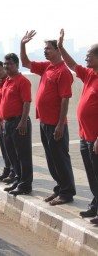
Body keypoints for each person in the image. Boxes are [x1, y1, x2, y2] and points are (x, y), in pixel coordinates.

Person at [20, 30, 76, 205]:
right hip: (44, 122)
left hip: (56, 124)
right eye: (45, 49)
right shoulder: (47, 67)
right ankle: (60, 188)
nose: (46, 51)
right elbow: (25, 63)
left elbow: (65, 98)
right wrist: (22, 45)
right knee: (52, 159)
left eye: (49, 49)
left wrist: (60, 124)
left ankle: (67, 193)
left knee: (60, 158)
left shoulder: (63, 72)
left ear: (58, 51)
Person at [57, 29, 98, 224]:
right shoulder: (90, 74)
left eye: (89, 55)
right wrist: (61, 48)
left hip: (95, 138)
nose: (86, 58)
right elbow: (72, 64)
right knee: (91, 174)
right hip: (84, 136)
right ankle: (95, 204)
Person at [0, 53, 33, 196]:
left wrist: (23, 121)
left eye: (10, 64)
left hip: (19, 122)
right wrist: (1, 120)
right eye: (5, 64)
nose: (7, 66)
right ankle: (18, 179)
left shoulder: (23, 81)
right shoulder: (7, 80)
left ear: (17, 65)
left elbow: (26, 102)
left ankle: (25, 184)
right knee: (12, 154)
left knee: (23, 155)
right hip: (7, 123)